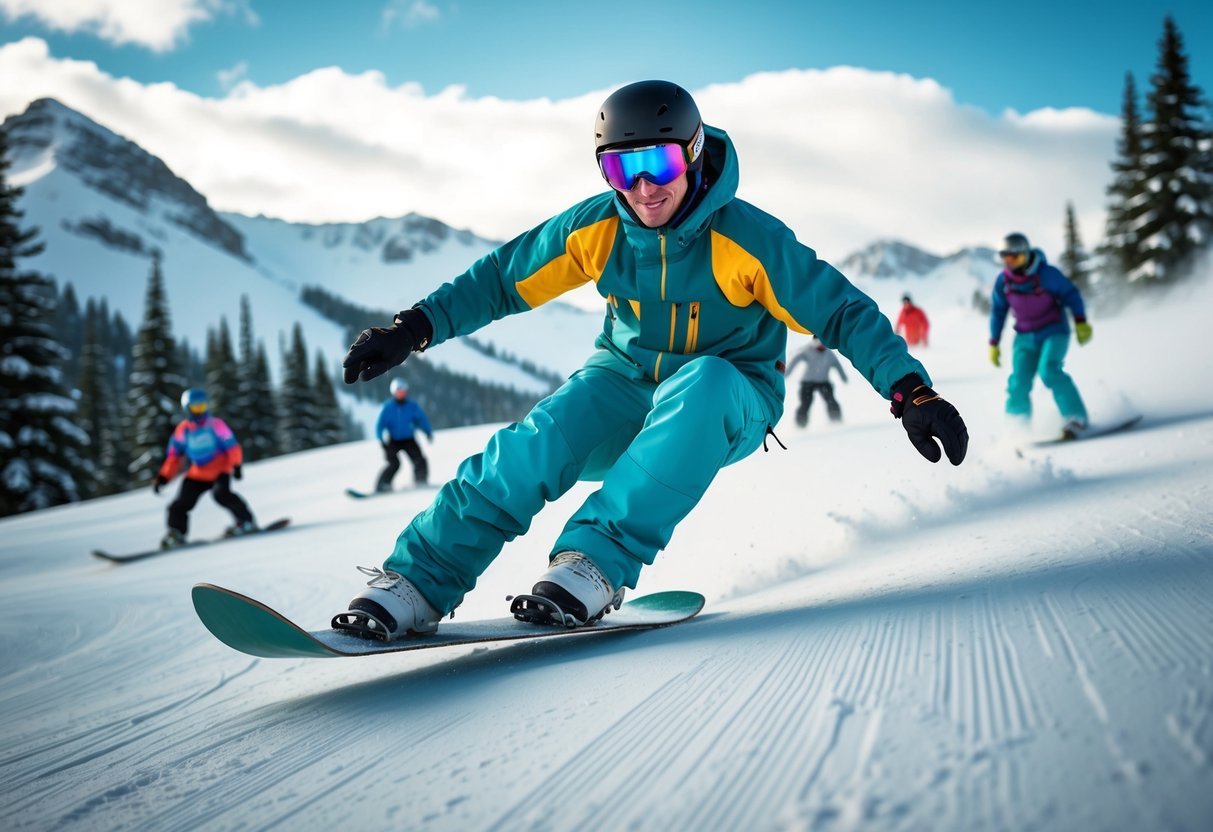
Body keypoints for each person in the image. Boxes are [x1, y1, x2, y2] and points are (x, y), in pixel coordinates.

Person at [333, 79, 969, 641]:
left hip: (727, 397)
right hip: (624, 383)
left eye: (658, 164)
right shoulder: (598, 228)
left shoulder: (746, 239)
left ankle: (594, 564)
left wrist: (910, 389)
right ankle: (417, 582)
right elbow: (503, 280)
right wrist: (413, 327)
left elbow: (839, 312)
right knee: (534, 441)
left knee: (706, 380)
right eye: (619, 169)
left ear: (692, 153)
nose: (642, 187)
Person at [988, 232, 1092, 437]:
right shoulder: (1004, 282)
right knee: (1018, 382)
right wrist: (994, 342)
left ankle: (1076, 418)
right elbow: (998, 311)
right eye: (1006, 258)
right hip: (1024, 337)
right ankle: (1016, 428)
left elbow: (1071, 294)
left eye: (1015, 257)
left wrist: (1080, 321)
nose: (1011, 263)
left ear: (1026, 255)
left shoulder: (1047, 274)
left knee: (1049, 370)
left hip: (1054, 330)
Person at [154, 388, 256, 548]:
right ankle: (176, 534)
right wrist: (163, 477)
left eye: (202, 407)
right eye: (195, 408)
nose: (199, 411)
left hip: (220, 469)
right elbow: (174, 456)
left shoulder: (217, 425)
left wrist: (236, 465)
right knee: (179, 505)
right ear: (187, 409)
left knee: (222, 494)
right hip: (197, 474)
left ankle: (246, 522)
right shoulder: (183, 430)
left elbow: (232, 446)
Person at [375, 377, 433, 491]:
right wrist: (381, 440)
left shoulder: (412, 406)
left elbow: (422, 420)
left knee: (419, 460)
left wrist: (428, 432)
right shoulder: (388, 407)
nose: (401, 394)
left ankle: (421, 481)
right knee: (394, 464)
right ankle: (382, 485)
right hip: (393, 440)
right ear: (394, 392)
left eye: (403, 391)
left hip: (409, 439)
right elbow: (379, 425)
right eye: (398, 391)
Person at [785, 336, 848, 427]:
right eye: (818, 344)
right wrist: (787, 373)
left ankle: (836, 421)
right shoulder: (808, 350)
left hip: (823, 382)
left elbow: (837, 365)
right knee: (806, 402)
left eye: (823, 344)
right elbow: (795, 359)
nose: (821, 346)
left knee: (831, 400)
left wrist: (843, 377)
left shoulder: (829, 354)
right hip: (808, 382)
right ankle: (801, 425)